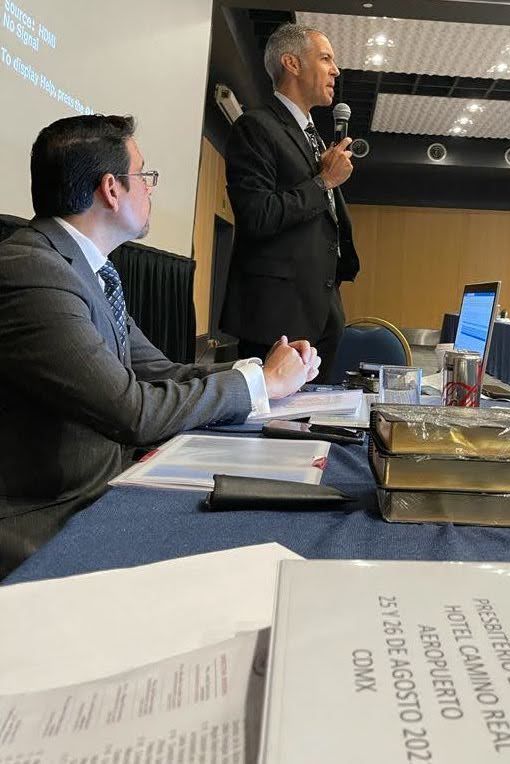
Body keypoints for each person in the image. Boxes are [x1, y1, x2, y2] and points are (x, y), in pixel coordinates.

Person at [0, 115, 320, 576]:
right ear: (111, 189)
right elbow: (133, 412)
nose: (150, 189)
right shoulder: (33, 269)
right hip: (50, 520)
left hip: (103, 492)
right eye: (144, 175)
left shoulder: (83, 269)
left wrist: (265, 371)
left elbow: (164, 372)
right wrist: (262, 383)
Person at [221, 22, 360, 383]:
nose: (336, 70)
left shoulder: (312, 137)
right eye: (326, 58)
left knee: (315, 414)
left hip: (321, 311)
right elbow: (257, 215)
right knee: (271, 418)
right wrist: (324, 181)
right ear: (292, 63)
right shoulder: (256, 127)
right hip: (276, 317)